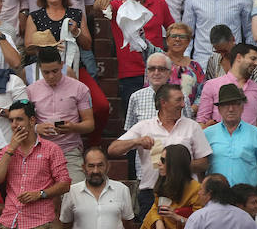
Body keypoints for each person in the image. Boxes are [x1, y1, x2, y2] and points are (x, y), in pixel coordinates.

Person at [109, 84, 212, 219]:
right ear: (164, 102)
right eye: (178, 100)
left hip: (185, 193)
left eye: (183, 100)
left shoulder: (192, 126)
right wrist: (137, 141)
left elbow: (204, 163)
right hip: (151, 193)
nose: (183, 105)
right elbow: (112, 149)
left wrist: (177, 166)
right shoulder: (144, 126)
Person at [0, 100, 71, 229]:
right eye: (11, 120)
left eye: (19, 119)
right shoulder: (7, 150)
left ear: (32, 120)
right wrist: (11, 149)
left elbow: (65, 184)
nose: (14, 125)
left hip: (39, 221)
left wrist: (40, 194)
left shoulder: (51, 149)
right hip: (10, 221)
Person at [26, 47, 95, 184]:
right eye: (46, 72)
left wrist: (73, 127)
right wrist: (36, 128)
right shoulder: (31, 90)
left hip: (69, 150)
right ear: (40, 69)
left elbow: (90, 124)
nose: (51, 76)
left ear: (62, 65)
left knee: (76, 193)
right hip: (40, 150)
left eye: (55, 71)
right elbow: (23, 123)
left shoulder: (79, 88)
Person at [204, 83, 257, 195]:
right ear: (219, 109)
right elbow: (201, 169)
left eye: (235, 104)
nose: (231, 109)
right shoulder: (207, 134)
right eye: (226, 105)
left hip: (246, 200)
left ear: (242, 107)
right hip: (216, 198)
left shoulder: (256, 134)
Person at [59, 146, 134, 229]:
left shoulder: (122, 189)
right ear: (83, 168)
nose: (96, 171)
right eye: (91, 166)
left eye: (100, 165)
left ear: (108, 166)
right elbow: (66, 224)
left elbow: (128, 223)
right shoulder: (72, 192)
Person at [198, 44, 257, 128]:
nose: (256, 63)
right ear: (239, 57)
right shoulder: (212, 86)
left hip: (249, 140)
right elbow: (202, 121)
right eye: (253, 59)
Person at [140, 145, 203, 229]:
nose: (159, 163)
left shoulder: (197, 189)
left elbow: (200, 224)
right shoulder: (162, 183)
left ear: (175, 164)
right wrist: (158, 222)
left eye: (163, 160)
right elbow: (155, 208)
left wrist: (176, 217)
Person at [185, 173, 257, 228]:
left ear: (209, 193)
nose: (199, 193)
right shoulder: (244, 216)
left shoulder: (199, 217)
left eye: (201, 189)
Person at [162, 25, 205, 111]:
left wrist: (190, 110)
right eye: (173, 36)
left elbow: (203, 93)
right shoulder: (158, 61)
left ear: (188, 42)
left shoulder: (195, 67)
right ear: (167, 40)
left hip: (188, 116)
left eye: (182, 37)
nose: (177, 39)